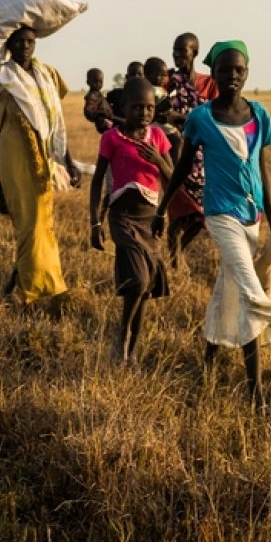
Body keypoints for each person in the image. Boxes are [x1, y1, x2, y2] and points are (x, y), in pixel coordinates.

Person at [154, 40, 271, 404]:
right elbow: (181, 167)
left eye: (239, 70)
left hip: (251, 215)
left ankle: (209, 360)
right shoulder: (201, 118)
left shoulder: (259, 115)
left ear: (247, 73)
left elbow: (262, 170)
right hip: (220, 213)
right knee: (248, 290)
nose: (232, 76)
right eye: (225, 70)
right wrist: (162, 208)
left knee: (225, 294)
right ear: (213, 74)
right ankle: (255, 389)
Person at [0, 25, 80, 306]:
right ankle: (33, 290)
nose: (25, 46)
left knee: (43, 224)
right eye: (19, 41)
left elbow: (55, 122)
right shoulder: (0, 77)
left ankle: (24, 284)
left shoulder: (47, 74)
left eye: (30, 41)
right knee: (28, 224)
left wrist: (68, 163)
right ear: (9, 44)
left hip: (42, 157)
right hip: (15, 157)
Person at [90, 77, 174, 363]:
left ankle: (132, 349)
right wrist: (95, 223)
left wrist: (158, 159)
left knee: (145, 286)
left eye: (149, 107)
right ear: (124, 107)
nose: (144, 113)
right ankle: (122, 335)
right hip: (122, 217)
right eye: (137, 107)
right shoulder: (111, 138)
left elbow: (171, 179)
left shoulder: (158, 138)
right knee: (137, 280)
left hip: (149, 218)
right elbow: (98, 180)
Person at [161, 34, 218, 272]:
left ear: (194, 53)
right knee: (177, 211)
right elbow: (157, 112)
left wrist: (184, 119)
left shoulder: (209, 85)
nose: (177, 55)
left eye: (182, 51)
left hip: (203, 159)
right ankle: (174, 257)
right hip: (175, 155)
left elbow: (216, 118)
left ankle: (178, 252)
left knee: (199, 215)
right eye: (175, 50)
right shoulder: (168, 83)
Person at [82, 67, 115, 133]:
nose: (98, 84)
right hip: (105, 124)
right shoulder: (92, 95)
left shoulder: (98, 94)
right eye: (95, 81)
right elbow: (88, 111)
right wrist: (100, 117)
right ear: (88, 82)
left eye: (100, 82)